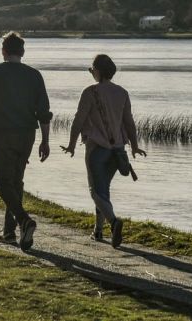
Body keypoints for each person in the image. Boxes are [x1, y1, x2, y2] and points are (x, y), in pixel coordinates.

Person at [0, 32, 52, 251]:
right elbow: (43, 113)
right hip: (27, 135)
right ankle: (9, 233)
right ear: (23, 52)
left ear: (3, 51)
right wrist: (45, 141)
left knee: (2, 182)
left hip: (2, 133)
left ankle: (24, 221)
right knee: (15, 181)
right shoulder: (34, 76)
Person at [61, 54, 146, 248]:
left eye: (91, 70)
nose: (91, 73)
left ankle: (114, 222)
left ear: (97, 71)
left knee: (95, 191)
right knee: (103, 188)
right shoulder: (122, 93)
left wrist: (72, 144)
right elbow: (129, 122)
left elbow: (78, 120)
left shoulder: (90, 92)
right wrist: (134, 146)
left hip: (97, 149)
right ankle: (98, 231)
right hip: (117, 150)